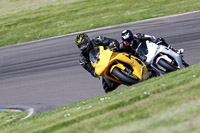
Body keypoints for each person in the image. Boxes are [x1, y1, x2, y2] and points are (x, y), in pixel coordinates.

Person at [120, 29, 184, 60]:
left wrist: (154, 40)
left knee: (160, 40)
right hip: (140, 59)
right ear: (124, 40)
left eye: (131, 38)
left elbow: (149, 37)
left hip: (148, 50)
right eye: (128, 40)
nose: (131, 41)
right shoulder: (123, 47)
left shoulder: (137, 36)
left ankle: (175, 51)